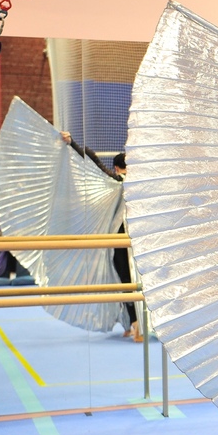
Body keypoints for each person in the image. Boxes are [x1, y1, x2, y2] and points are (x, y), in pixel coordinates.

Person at [60, 133, 139, 340]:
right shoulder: (138, 183)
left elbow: (93, 162)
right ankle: (133, 321)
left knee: (124, 280)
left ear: (116, 168)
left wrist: (73, 143)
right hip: (138, 239)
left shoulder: (116, 181)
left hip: (120, 239)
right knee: (135, 280)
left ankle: (133, 321)